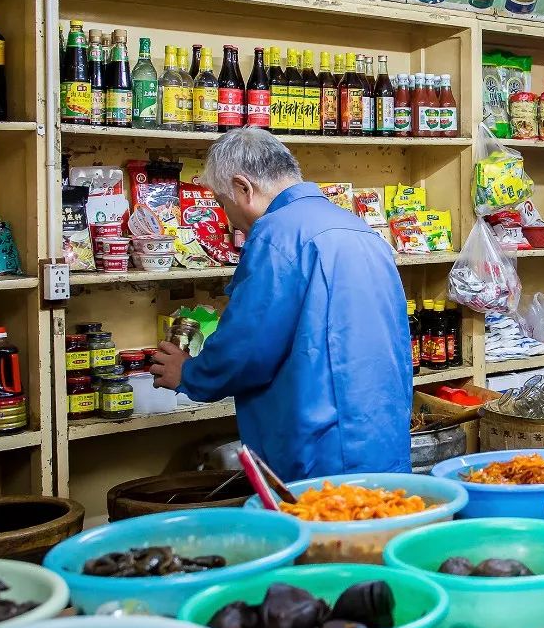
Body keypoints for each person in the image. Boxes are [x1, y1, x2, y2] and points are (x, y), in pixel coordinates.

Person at [151, 127, 412, 480]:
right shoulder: (361, 231)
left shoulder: (277, 236)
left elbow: (247, 349)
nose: (226, 215)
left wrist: (189, 373)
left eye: (221, 201)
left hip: (321, 450)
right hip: (381, 437)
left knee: (324, 535)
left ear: (243, 188)